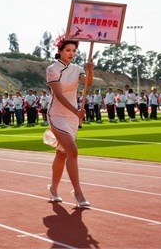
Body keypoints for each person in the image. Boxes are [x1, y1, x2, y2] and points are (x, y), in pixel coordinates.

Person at [44, 36, 93, 208]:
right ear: (60, 51)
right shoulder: (52, 69)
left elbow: (88, 82)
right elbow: (59, 95)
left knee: (62, 153)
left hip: (72, 117)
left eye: (74, 51)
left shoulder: (77, 68)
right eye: (68, 50)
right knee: (73, 150)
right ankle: (78, 192)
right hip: (57, 114)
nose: (71, 53)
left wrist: (90, 70)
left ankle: (53, 187)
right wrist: (77, 111)